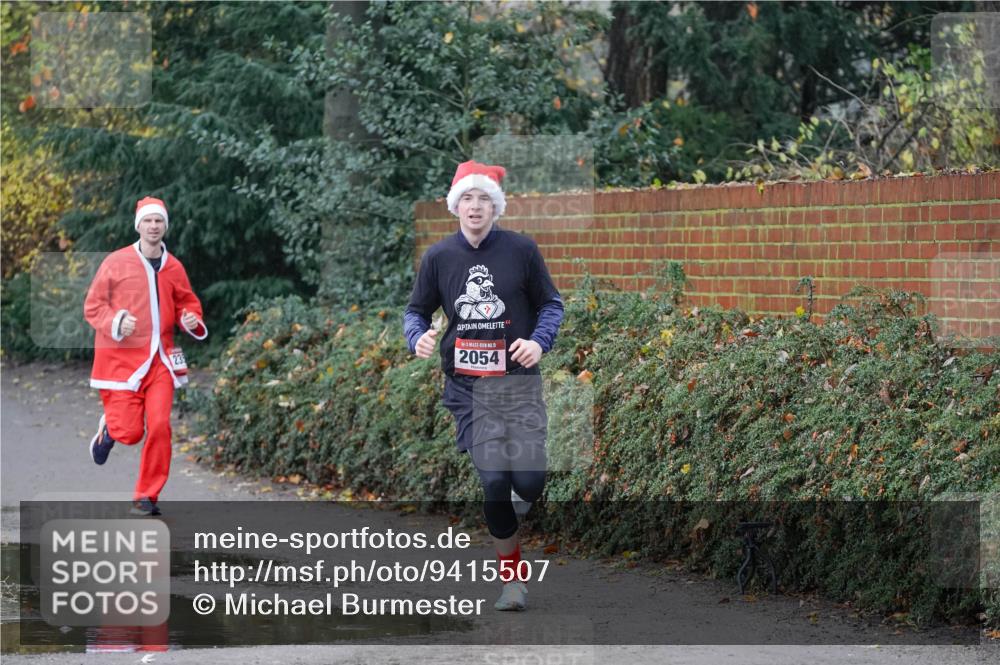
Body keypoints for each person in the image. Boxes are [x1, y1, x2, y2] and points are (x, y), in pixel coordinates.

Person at [404, 161, 564, 611]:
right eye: (468, 199)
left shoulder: (522, 250)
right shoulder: (438, 258)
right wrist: (418, 337)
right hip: (468, 387)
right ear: (456, 206)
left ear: (495, 206)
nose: (475, 207)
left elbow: (551, 304)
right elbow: (415, 311)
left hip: (517, 384)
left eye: (484, 199)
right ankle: (512, 582)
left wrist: (538, 342)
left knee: (529, 483)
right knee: (494, 481)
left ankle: (513, 507)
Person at [84, 196, 208, 516]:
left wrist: (190, 319)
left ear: (165, 226)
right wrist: (116, 321)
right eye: (148, 221)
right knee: (130, 432)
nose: (153, 226)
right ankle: (111, 430)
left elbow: (187, 304)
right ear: (138, 225)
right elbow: (93, 306)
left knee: (160, 425)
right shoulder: (116, 262)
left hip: (161, 361)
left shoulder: (174, 266)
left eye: (159, 221)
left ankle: (146, 495)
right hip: (122, 360)